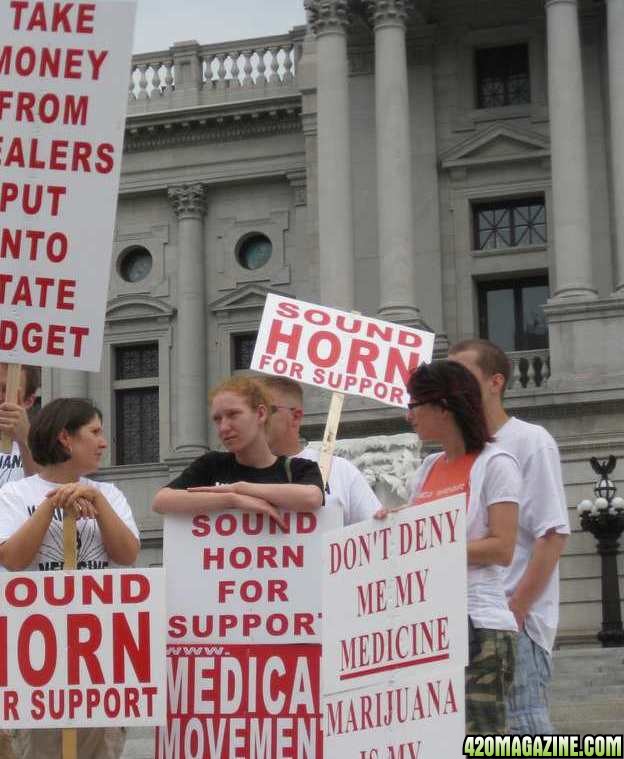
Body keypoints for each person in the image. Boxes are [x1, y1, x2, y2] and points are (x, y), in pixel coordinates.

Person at [377, 360, 521, 735]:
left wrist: (435, 546)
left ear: (444, 406)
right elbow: (417, 537)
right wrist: (393, 525)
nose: (409, 416)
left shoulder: (496, 464)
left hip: (479, 624)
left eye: (415, 405)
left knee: (479, 739)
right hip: (429, 623)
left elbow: (502, 547)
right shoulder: (427, 468)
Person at [0, 397, 140, 758]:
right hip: (36, 660)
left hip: (100, 660)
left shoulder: (111, 494)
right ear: (66, 438)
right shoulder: (14, 495)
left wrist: (97, 499)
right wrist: (51, 504)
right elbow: (13, 560)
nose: (104, 442)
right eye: (94, 432)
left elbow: (127, 554)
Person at [449, 338, 570, 735]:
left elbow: (551, 535)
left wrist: (516, 609)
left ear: (495, 382)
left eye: (462, 375)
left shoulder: (530, 441)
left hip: (514, 623)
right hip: (470, 624)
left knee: (522, 730)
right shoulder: (458, 453)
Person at [152, 376, 324, 518]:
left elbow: (312, 497)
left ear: (261, 414)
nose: (224, 427)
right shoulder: (212, 464)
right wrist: (232, 499)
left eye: (233, 414)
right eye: (217, 419)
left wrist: (240, 488)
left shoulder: (299, 468)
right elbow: (161, 501)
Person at [261, 375, 382, 525]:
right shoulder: (230, 475)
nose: (257, 418)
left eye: (266, 410)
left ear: (295, 417)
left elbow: (377, 534)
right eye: (250, 411)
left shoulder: (340, 471)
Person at [0, 363, 41, 485]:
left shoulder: (50, 445)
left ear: (28, 401)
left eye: (5, 390)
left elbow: (43, 489)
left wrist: (25, 439)